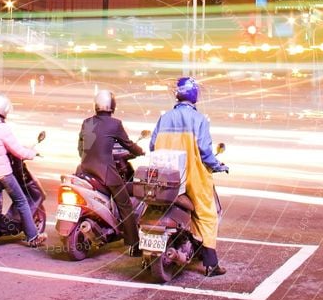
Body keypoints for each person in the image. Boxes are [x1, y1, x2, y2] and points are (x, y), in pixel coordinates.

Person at [149, 77, 227, 277]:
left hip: (165, 175)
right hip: (193, 175)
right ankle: (211, 264)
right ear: (194, 95)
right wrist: (217, 165)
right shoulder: (199, 119)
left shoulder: (164, 118)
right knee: (206, 214)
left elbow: (152, 145)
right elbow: (204, 150)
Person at [0, 94, 47, 247]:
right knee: (21, 201)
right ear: (5, 111)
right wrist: (33, 153)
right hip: (1, 173)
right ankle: (32, 237)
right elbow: (18, 151)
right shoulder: (2, 128)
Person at [78, 90, 144, 256]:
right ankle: (134, 245)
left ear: (96, 105)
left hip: (83, 170)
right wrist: (140, 151)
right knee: (125, 204)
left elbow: (81, 148)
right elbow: (128, 144)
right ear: (112, 106)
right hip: (105, 172)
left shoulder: (86, 122)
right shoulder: (115, 124)